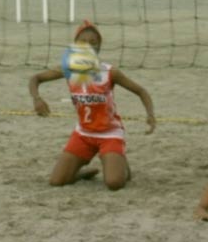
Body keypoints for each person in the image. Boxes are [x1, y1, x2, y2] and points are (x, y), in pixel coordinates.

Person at [27, 21, 155, 189]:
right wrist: (37, 99)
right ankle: (79, 173)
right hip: (83, 133)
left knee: (114, 183)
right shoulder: (69, 70)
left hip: (109, 133)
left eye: (93, 42)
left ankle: (121, 163)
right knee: (56, 181)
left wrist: (150, 115)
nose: (88, 46)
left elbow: (141, 91)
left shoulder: (109, 72)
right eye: (83, 42)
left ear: (99, 46)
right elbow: (35, 79)